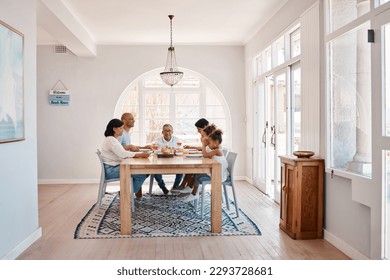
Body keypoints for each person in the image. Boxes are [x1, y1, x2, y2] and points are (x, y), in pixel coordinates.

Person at [101, 118, 150, 196]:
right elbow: (122, 154)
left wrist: (139, 153)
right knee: (141, 174)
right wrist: (139, 155)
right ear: (114, 129)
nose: (122, 130)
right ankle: (125, 194)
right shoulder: (111, 140)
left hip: (113, 168)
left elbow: (122, 152)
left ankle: (126, 192)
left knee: (145, 172)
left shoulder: (112, 140)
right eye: (120, 128)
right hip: (111, 170)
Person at [180, 129, 229, 202]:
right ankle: (192, 191)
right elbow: (206, 154)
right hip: (215, 171)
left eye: (210, 142)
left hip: (218, 174)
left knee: (197, 174)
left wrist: (203, 144)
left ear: (216, 143)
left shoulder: (217, 150)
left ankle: (194, 193)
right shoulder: (215, 150)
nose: (209, 144)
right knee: (197, 173)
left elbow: (205, 155)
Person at [152, 124, 183, 194]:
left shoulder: (177, 140)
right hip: (160, 162)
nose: (167, 133)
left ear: (172, 132)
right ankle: (163, 187)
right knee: (154, 170)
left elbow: (180, 150)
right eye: (165, 131)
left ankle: (175, 187)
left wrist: (176, 150)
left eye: (169, 131)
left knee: (182, 169)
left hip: (174, 162)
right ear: (162, 132)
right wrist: (161, 150)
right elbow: (154, 151)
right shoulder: (158, 140)